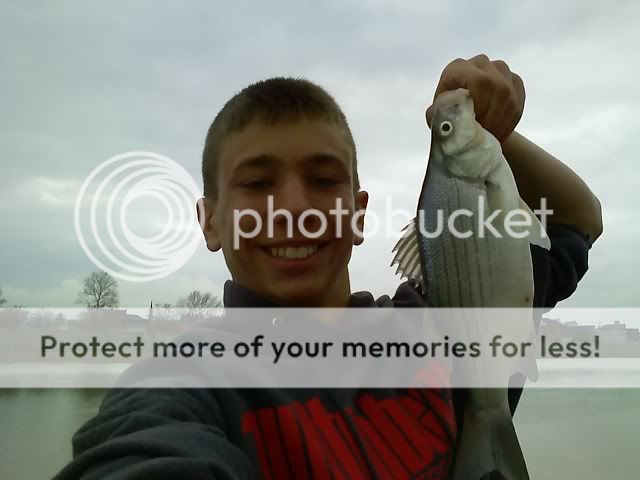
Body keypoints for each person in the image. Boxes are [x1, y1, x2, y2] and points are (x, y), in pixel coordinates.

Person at [54, 55, 602, 479]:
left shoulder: (441, 321)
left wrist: (484, 132)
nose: (294, 208)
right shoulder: (181, 390)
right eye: (257, 183)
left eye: (323, 179)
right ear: (211, 222)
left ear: (359, 216)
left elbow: (580, 220)